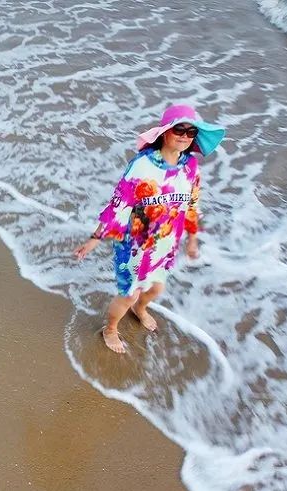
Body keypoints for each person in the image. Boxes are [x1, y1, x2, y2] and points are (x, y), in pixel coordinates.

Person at [74, 104, 225, 353]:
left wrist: (192, 239)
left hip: (165, 243)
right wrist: (95, 238)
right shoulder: (142, 165)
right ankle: (110, 329)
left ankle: (140, 310)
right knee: (129, 293)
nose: (185, 136)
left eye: (191, 133)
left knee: (156, 287)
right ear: (165, 132)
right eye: (180, 129)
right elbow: (119, 204)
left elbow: (192, 203)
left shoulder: (190, 167)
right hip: (135, 243)